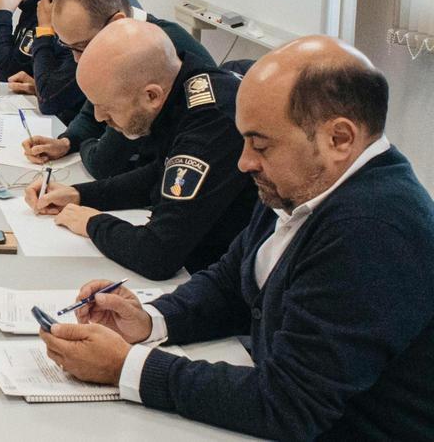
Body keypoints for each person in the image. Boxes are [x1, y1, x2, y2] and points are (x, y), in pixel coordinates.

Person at [40, 36, 434, 439]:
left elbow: (289, 404)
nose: (244, 161)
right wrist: (149, 321)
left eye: (260, 144)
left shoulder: (371, 230)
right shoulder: (303, 182)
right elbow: (233, 282)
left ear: (340, 139)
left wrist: (127, 367)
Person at [25, 20, 256, 280]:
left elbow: (157, 254)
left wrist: (91, 223)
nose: (99, 117)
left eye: (107, 106)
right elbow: (160, 174)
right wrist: (80, 194)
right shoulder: (182, 90)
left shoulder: (211, 122)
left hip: (228, 286)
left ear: (151, 96)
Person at [22, 0, 214, 179]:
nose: (77, 60)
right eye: (69, 48)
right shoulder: (129, 39)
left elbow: (104, 162)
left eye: (80, 47)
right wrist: (67, 142)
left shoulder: (148, 53)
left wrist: (86, 144)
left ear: (116, 23)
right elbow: (93, 110)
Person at [5, 0, 102, 123]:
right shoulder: (82, 7)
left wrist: (45, 29)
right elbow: (59, 90)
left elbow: (49, 101)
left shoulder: (91, 18)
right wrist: (38, 86)